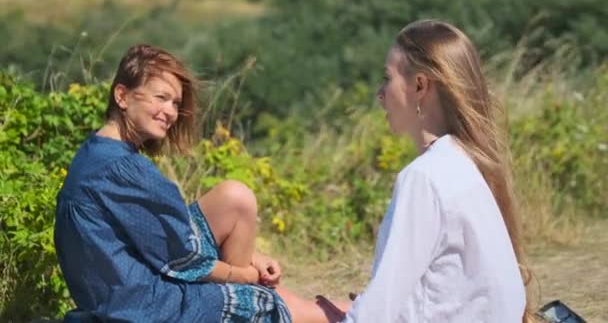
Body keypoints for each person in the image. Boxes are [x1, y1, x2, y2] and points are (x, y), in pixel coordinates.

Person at [55, 44, 294, 322]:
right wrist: (245, 275)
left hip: (122, 292)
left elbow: (158, 239)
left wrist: (252, 258)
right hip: (141, 307)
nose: (170, 112)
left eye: (176, 103)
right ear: (122, 96)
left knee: (235, 198)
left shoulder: (97, 152)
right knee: (269, 301)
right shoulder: (123, 170)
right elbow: (181, 258)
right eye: (161, 97)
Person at [321, 19, 534, 322]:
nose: (380, 93)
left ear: (420, 85)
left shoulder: (424, 178)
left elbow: (379, 308)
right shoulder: (465, 161)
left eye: (387, 78)